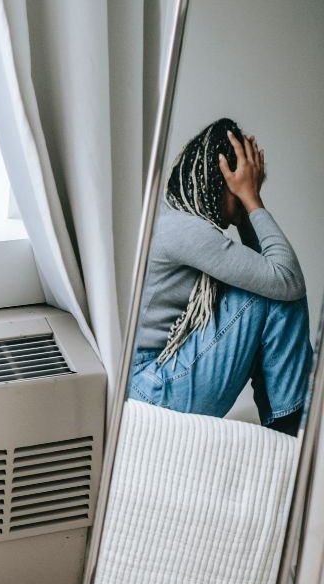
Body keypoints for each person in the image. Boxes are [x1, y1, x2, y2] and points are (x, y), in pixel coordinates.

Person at [128, 118, 311, 435]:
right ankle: (291, 425)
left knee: (273, 287)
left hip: (145, 380)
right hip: (151, 389)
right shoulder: (186, 231)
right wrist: (252, 201)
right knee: (276, 292)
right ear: (224, 181)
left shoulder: (173, 215)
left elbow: (271, 273)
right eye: (244, 184)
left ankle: (289, 422)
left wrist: (245, 214)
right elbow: (286, 279)